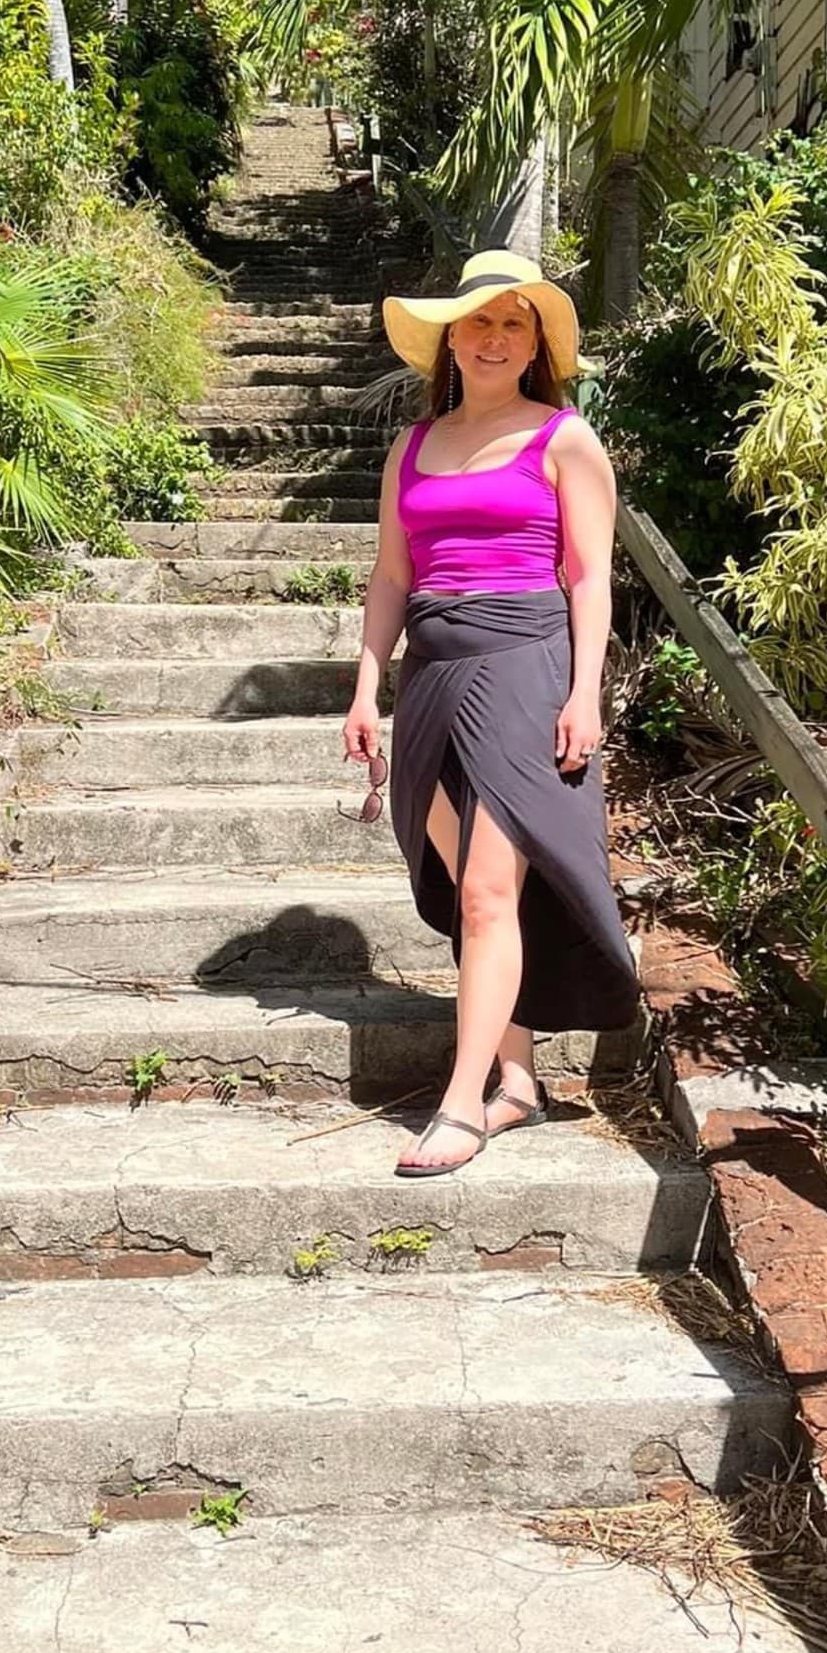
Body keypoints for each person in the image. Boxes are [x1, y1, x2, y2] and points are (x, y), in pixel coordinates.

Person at [342, 249, 640, 1179]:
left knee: (487, 891)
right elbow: (394, 573)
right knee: (467, 877)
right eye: (480, 321)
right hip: (432, 674)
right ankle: (517, 1074)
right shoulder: (413, 445)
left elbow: (591, 577)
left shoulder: (563, 439)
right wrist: (365, 683)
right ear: (451, 338)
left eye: (516, 323)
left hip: (525, 669)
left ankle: (462, 1101)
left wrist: (585, 690)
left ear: (537, 342)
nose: (497, 338)